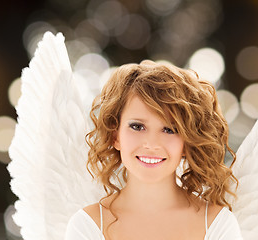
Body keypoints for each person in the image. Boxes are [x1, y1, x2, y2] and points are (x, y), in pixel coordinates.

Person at [64, 60, 243, 239]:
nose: (152, 144)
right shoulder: (87, 226)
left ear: (187, 142)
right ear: (115, 135)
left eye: (169, 130)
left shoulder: (217, 224)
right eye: (137, 126)